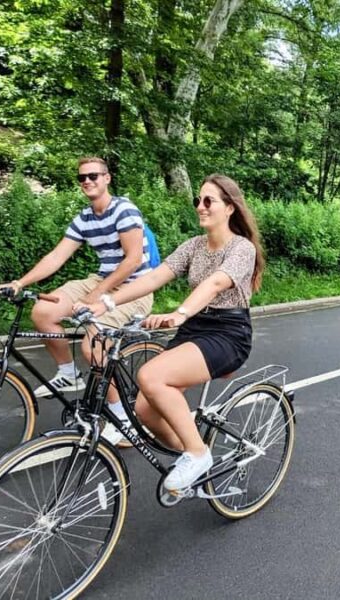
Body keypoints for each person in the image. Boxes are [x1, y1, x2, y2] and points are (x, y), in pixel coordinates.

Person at [75, 174, 264, 492]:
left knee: (151, 376)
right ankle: (199, 467)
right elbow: (153, 278)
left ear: (230, 208)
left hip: (228, 333)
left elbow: (216, 282)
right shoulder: (193, 246)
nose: (200, 207)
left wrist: (179, 313)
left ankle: (198, 454)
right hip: (195, 328)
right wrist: (105, 302)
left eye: (209, 201)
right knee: (144, 409)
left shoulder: (241, 248)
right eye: (198, 201)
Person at [0, 157, 156, 443]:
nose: (87, 181)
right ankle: (69, 373)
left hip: (136, 287)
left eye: (93, 176)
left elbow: (132, 261)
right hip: (101, 279)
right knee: (43, 311)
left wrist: (96, 296)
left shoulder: (124, 210)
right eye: (82, 178)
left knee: (94, 345)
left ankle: (123, 418)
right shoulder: (85, 218)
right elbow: (56, 256)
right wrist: (19, 283)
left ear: (107, 178)